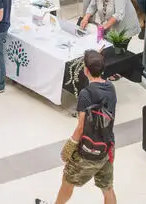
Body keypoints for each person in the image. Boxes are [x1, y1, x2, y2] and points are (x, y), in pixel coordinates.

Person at [36, 50, 117, 204]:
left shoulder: (86, 94)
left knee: (68, 180)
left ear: (86, 70)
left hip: (88, 149)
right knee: (107, 187)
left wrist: (69, 146)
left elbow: (81, 126)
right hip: (107, 146)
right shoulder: (110, 87)